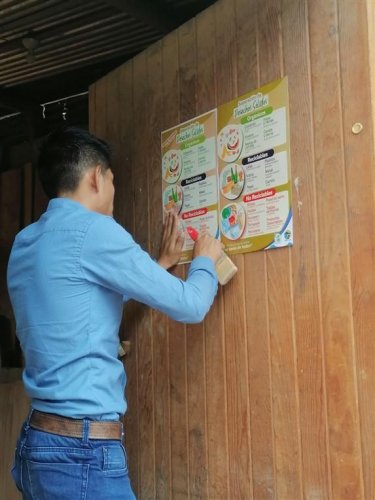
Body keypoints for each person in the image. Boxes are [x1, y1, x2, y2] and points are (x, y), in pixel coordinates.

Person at [7, 127, 222, 499]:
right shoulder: (96, 231)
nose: (113, 192)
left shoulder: (25, 243)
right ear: (95, 176)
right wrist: (205, 261)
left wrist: (160, 264)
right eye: (112, 180)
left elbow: (83, 303)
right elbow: (191, 305)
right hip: (81, 454)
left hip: (38, 445)